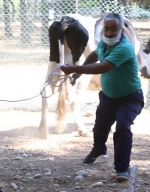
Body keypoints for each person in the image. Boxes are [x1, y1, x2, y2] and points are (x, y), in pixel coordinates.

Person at [59, 12, 144, 182]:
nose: (110, 32)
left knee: (122, 126)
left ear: (122, 30)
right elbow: (94, 55)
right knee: (100, 127)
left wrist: (74, 69)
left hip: (130, 98)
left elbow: (104, 67)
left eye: (114, 29)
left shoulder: (124, 48)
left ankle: (122, 169)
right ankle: (98, 149)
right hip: (108, 97)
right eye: (107, 29)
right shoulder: (104, 45)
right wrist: (77, 72)